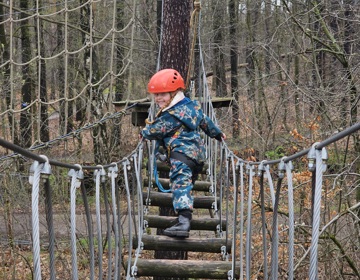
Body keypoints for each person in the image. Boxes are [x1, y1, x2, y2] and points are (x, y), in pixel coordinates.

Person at [141, 68, 226, 238]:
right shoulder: (192, 106)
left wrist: (143, 133)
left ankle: (184, 223)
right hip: (197, 158)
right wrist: (217, 133)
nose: (158, 99)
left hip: (181, 157)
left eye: (163, 94)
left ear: (174, 93)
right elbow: (205, 122)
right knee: (185, 186)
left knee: (180, 187)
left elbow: (155, 130)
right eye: (156, 95)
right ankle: (182, 219)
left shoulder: (170, 115)